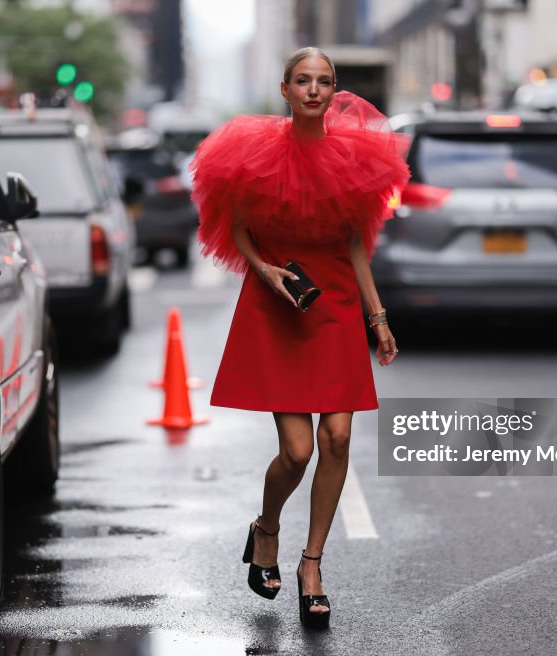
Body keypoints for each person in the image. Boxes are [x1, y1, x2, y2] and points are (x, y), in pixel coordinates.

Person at [189, 46, 408, 630]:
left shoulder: (356, 156)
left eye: (325, 82)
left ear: (334, 93)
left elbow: (357, 244)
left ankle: (311, 567)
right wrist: (264, 271)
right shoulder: (251, 151)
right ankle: (266, 529)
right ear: (285, 90)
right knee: (298, 451)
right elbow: (236, 229)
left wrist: (378, 318)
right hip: (280, 301)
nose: (314, 90)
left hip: (334, 302)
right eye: (303, 81)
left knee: (336, 437)